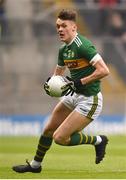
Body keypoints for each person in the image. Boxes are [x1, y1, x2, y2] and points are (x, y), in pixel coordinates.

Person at [12, 9, 110, 173]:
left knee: (60, 138)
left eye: (64, 26)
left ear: (74, 28)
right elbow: (58, 74)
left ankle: (99, 140)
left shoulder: (83, 46)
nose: (59, 29)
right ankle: (35, 166)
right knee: (48, 129)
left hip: (89, 99)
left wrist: (79, 82)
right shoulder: (63, 50)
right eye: (57, 26)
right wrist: (51, 84)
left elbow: (104, 70)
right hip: (73, 94)